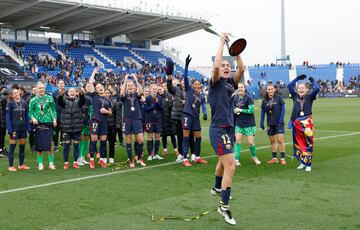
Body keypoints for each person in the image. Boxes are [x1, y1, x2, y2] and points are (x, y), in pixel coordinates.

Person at [208, 32, 245, 225]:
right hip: (218, 129)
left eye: (227, 66)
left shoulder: (231, 83)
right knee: (230, 164)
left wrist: (236, 51)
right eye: (223, 65)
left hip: (229, 127)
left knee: (224, 162)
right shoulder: (214, 83)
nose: (225, 67)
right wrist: (222, 42)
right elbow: (216, 65)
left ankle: (216, 188)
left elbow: (242, 67)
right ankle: (224, 207)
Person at [179, 55, 207, 167]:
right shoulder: (189, 90)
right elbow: (185, 77)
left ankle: (198, 157)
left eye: (198, 84)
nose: (196, 86)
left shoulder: (201, 96)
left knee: (198, 137)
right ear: (192, 85)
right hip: (187, 116)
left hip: (196, 118)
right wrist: (186, 65)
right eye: (195, 84)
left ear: (200, 86)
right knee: (186, 137)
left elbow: (204, 105)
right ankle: (185, 158)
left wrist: (205, 113)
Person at [287, 74, 319, 172]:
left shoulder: (310, 96)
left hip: (306, 123)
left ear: (306, 89)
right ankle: (302, 162)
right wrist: (297, 79)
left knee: (308, 143)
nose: (301, 89)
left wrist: (313, 80)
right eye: (299, 88)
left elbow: (317, 88)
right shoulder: (295, 95)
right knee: (298, 143)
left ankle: (308, 164)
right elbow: (289, 86)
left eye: (303, 88)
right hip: (296, 123)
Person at [29, 82, 57, 170]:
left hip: (48, 123)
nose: (41, 89)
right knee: (39, 145)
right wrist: (33, 118)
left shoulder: (50, 98)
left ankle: (51, 163)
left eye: (42, 88)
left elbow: (54, 110)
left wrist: (55, 119)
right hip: (38, 124)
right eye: (40, 88)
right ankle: (40, 164)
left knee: (51, 144)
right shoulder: (33, 100)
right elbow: (30, 112)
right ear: (37, 89)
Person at [88, 68, 112, 169]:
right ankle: (92, 160)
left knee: (103, 142)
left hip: (104, 122)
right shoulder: (94, 96)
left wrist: (106, 111)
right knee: (93, 140)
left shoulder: (107, 100)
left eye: (101, 86)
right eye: (98, 87)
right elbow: (90, 83)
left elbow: (110, 112)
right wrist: (93, 73)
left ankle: (102, 160)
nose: (100, 88)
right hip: (95, 120)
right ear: (96, 90)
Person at [233, 83, 261, 166]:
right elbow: (233, 108)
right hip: (239, 123)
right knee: (237, 141)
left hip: (249, 124)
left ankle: (254, 157)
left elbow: (251, 111)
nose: (240, 89)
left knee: (251, 143)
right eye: (238, 88)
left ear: (244, 88)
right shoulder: (235, 98)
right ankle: (236, 159)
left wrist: (240, 110)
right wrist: (234, 110)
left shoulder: (248, 98)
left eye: (241, 87)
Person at [120, 74, 145, 168]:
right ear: (126, 87)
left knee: (140, 140)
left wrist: (136, 81)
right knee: (128, 140)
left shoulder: (137, 95)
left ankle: (139, 159)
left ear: (134, 87)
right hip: (127, 119)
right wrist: (125, 80)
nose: (130, 87)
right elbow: (121, 93)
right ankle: (131, 161)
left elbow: (141, 92)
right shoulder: (124, 96)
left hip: (137, 119)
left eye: (131, 86)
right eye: (128, 86)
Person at [58, 87, 85, 169]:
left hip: (77, 127)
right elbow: (60, 102)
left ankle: (75, 162)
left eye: (74, 91)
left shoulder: (78, 101)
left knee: (76, 145)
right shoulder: (64, 100)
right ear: (68, 93)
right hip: (66, 127)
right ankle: (66, 162)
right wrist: (60, 95)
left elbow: (82, 101)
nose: (72, 92)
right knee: (66, 145)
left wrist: (82, 94)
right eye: (70, 91)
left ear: (76, 93)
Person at [260, 84, 286, 165]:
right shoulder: (264, 100)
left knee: (280, 140)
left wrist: (281, 119)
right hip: (270, 123)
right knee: (272, 141)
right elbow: (263, 112)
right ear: (266, 90)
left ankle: (282, 158)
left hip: (279, 122)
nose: (270, 90)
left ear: (274, 90)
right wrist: (262, 122)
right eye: (268, 89)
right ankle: (274, 158)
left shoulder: (279, 97)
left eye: (271, 89)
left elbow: (283, 109)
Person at [5, 88, 31, 171]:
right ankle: (11, 166)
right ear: (12, 95)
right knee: (12, 147)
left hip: (23, 128)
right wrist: (9, 129)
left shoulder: (24, 102)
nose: (17, 94)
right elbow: (8, 117)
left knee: (22, 147)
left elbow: (27, 116)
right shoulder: (10, 104)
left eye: (17, 92)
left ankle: (21, 164)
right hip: (14, 129)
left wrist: (29, 127)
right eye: (15, 93)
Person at [166, 60, 184, 160]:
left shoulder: (190, 91)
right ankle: (181, 153)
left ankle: (192, 153)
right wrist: (169, 75)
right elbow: (169, 87)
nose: (183, 83)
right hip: (178, 117)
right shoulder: (177, 89)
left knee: (189, 136)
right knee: (180, 136)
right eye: (182, 81)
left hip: (188, 117)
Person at [144, 83, 164, 161]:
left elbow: (162, 108)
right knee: (149, 137)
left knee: (157, 137)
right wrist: (155, 104)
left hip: (158, 120)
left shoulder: (160, 98)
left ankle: (156, 154)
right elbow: (146, 109)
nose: (155, 90)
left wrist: (158, 103)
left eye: (156, 89)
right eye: (153, 89)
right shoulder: (148, 98)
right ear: (150, 89)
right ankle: (150, 154)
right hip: (149, 120)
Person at [159, 84, 178, 156]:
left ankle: (175, 149)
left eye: (163, 87)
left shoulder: (169, 96)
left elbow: (172, 107)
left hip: (170, 119)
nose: (160, 90)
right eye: (159, 89)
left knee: (173, 135)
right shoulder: (158, 97)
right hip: (162, 119)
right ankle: (165, 150)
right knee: (164, 135)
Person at [52, 79, 65, 152]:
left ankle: (63, 143)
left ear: (64, 84)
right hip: (56, 114)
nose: (61, 84)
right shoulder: (54, 93)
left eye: (62, 83)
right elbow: (53, 105)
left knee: (64, 129)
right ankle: (56, 145)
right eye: (60, 83)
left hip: (64, 114)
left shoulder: (67, 93)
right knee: (55, 131)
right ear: (58, 84)